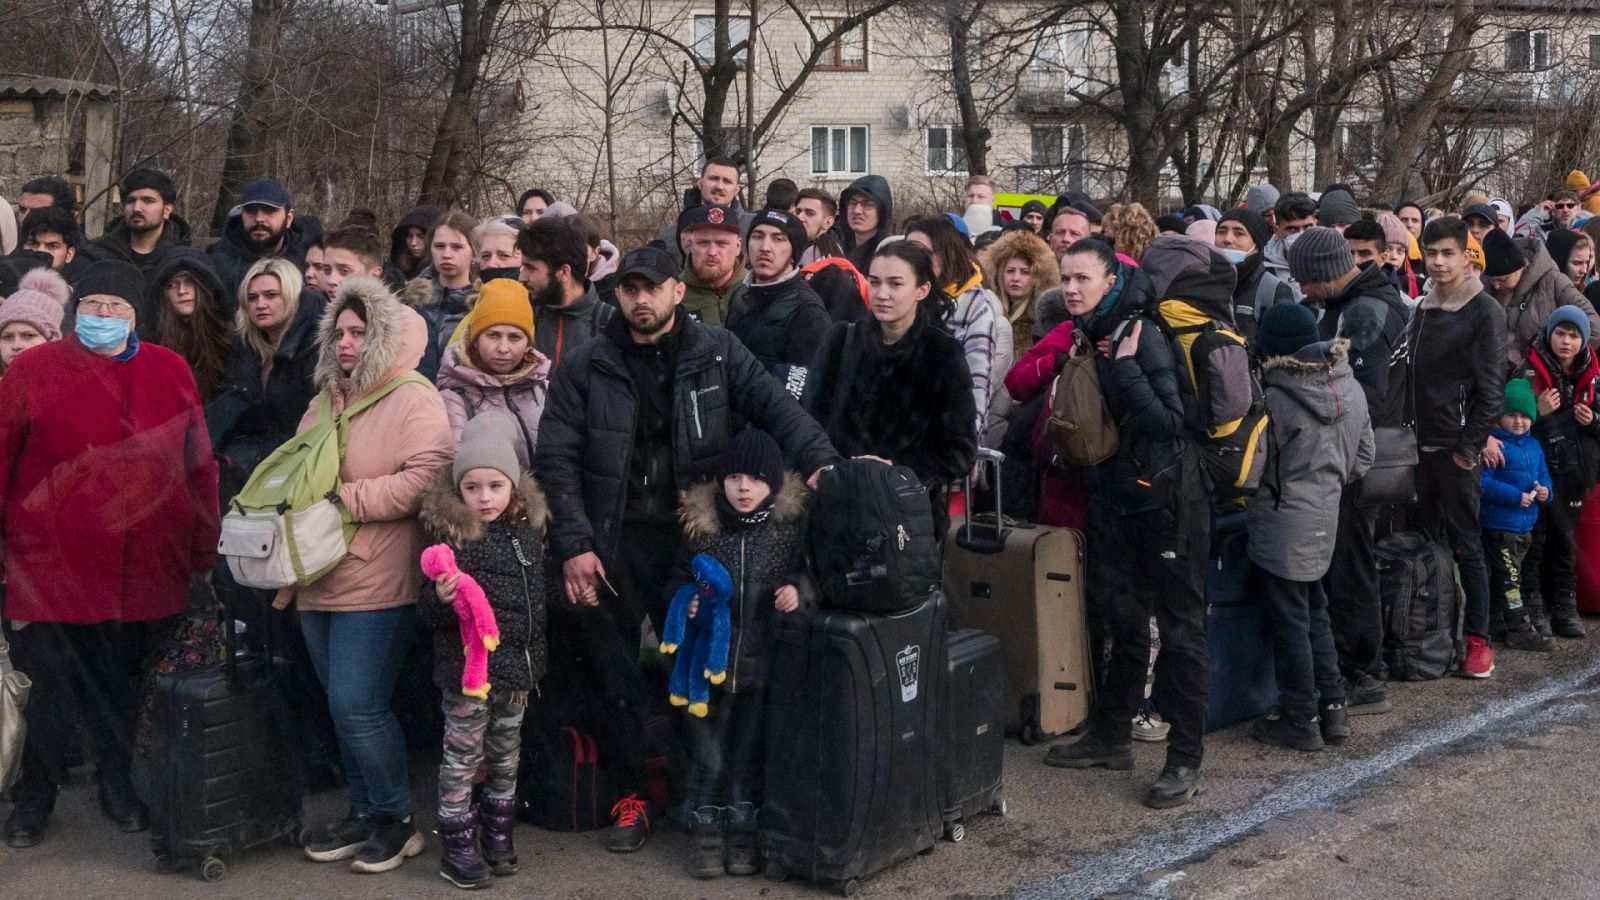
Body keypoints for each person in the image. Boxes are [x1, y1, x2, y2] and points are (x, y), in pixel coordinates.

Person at [535, 244, 838, 854]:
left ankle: (707, 795)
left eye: (653, 288)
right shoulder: (586, 367)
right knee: (613, 673)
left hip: (698, 542)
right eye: (629, 289)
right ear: (615, 294)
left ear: (678, 290)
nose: (641, 300)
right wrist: (573, 545)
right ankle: (633, 796)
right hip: (612, 542)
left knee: (704, 668)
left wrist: (823, 463)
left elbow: (779, 411)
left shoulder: (718, 353)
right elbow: (556, 462)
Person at [0, 259, 220, 848]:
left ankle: (117, 785)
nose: (103, 316)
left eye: (116, 308)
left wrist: (203, 550)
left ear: (136, 316)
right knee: (47, 686)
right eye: (93, 306)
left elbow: (197, 465)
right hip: (46, 564)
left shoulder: (168, 370)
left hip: (141, 564)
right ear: (75, 313)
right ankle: (34, 797)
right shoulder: (33, 370)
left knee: (120, 685)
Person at [275, 276, 453, 874]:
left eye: (360, 332)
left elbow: (430, 474)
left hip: (379, 578)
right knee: (339, 704)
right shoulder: (325, 399)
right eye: (340, 332)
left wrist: (346, 497)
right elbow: (299, 467)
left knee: (357, 704)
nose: (347, 343)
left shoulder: (414, 395)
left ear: (384, 337)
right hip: (316, 573)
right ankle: (364, 812)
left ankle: (397, 821)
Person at [1042, 237, 1212, 810]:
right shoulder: (1090, 328)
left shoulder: (1144, 332)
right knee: (1122, 617)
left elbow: (1171, 422)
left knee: (1181, 629)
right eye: (1064, 277)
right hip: (1117, 495)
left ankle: (1184, 757)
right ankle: (1112, 736)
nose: (1070, 287)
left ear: (1111, 278)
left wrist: (1123, 370)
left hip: (1167, 500)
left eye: (1081, 277)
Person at [417, 412, 549, 889]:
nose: (485, 497)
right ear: (459, 490)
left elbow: (535, 605)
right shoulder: (452, 540)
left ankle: (497, 833)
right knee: (461, 756)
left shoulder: (528, 535)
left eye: (495, 485)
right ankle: (456, 843)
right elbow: (426, 618)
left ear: (513, 486)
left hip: (516, 672)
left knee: (506, 754)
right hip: (467, 675)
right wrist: (440, 600)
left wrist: (535, 661)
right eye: (472, 487)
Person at [673, 426, 810, 880]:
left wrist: (798, 588)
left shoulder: (787, 532)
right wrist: (685, 597)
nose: (743, 487)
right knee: (707, 750)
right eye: (733, 477)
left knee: (748, 752)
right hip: (706, 669)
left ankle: (743, 824)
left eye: (754, 478)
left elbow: (810, 573)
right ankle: (706, 827)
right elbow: (675, 578)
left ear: (772, 483)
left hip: (759, 666)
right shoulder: (703, 528)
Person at [1288, 227, 1409, 712]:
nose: (1302, 291)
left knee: (1350, 561)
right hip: (1351, 454)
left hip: (1354, 460)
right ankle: (1353, 664)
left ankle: (1363, 672)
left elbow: (1363, 396)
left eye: (1306, 281)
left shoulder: (1364, 311)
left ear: (1322, 274)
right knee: (1348, 560)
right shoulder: (1353, 304)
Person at [1246, 303, 1373, 751]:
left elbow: (1250, 470)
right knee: (1316, 609)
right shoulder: (1350, 388)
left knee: (1290, 619)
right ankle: (1334, 709)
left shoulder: (1274, 398)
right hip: (1327, 514)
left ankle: (1300, 717)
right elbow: (1364, 458)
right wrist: (1328, 482)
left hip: (1280, 519)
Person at [804, 241, 977, 532]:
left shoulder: (942, 354)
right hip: (835, 511)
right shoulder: (841, 341)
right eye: (875, 282)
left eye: (895, 284)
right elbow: (808, 421)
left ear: (922, 290)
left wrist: (895, 466)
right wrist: (824, 466)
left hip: (905, 521)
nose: (882, 294)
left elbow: (960, 451)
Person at [1413, 216, 1506, 679]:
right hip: (1418, 449)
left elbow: (1492, 391)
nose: (1438, 262)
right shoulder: (1422, 306)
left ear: (1466, 255)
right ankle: (1432, 634)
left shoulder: (1484, 310)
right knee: (1426, 548)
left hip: (1455, 451)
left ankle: (1479, 640)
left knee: (1468, 547)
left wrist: (1467, 451)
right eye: (1431, 253)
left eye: (1448, 253)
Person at [206, 257, 328, 493]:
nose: (260, 304)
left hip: (297, 473)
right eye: (252, 298)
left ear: (291, 296)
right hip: (248, 469)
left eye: (271, 295)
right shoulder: (245, 347)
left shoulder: (315, 347)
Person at [1514, 307, 1600, 639]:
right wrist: (1537, 411)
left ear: (1583, 339)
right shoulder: (1526, 371)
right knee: (1534, 540)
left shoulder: (1593, 376)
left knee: (1565, 541)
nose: (1566, 341)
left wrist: (1592, 421)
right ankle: (1534, 604)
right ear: (1549, 335)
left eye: (1574, 335)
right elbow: (1510, 422)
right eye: (1560, 334)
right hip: (1535, 468)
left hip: (1576, 470)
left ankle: (1565, 604)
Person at [904, 215, 1004, 449]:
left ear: (945, 254)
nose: (912, 259)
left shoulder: (974, 303)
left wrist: (961, 445)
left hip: (946, 449)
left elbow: (978, 382)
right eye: (907, 250)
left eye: (921, 251)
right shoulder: (902, 297)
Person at [436, 278, 550, 467]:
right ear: (475, 338)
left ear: (528, 343)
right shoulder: (454, 398)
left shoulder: (543, 389)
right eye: (493, 335)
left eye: (515, 337)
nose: (503, 348)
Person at [1479, 378, 1556, 654]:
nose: (1518, 421)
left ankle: (1498, 620)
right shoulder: (1495, 445)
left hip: (1525, 528)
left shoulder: (1534, 446)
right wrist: (1515, 496)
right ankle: (1519, 627)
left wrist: (1547, 491)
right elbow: (1483, 483)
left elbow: (1544, 476)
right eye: (1511, 415)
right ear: (1500, 417)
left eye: (1524, 416)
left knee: (1511, 576)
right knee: (1511, 579)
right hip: (1500, 526)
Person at [724, 208, 831, 381]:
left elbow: (812, 389)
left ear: (793, 253)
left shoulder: (808, 312)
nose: (765, 247)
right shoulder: (741, 293)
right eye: (758, 236)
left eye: (778, 239)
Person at [1481, 228, 1600, 368]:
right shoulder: (1486, 286)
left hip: (1542, 377)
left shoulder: (1554, 282)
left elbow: (1594, 328)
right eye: (1492, 280)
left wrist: (1559, 360)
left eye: (1503, 279)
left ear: (1520, 269)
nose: (1495, 286)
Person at [516, 215, 615, 369]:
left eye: (530, 268)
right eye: (522, 267)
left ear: (563, 272)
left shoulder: (611, 323)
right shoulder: (523, 318)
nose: (522, 277)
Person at [146, 247, 234, 402]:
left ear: (204, 286)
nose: (182, 291)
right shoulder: (151, 340)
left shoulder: (227, 338)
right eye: (172, 285)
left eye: (190, 282)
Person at [208, 178, 318, 296]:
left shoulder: (308, 260)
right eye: (251, 211)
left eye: (269, 211)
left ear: (289, 218)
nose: (259, 218)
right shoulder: (217, 265)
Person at [403, 210, 480, 378]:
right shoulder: (411, 302)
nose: (446, 255)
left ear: (474, 251)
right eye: (439, 246)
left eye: (457, 247)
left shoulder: (482, 305)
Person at [85, 168, 191, 279]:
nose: (136, 208)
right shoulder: (96, 255)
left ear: (167, 210)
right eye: (131, 201)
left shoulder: (182, 261)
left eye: (148, 201)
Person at [1214, 208, 1293, 345]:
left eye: (1239, 233)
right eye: (1222, 231)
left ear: (1256, 244)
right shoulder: (1203, 283)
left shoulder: (1274, 291)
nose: (1227, 239)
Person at [654, 159, 749, 268]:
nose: (719, 186)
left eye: (727, 181)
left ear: (737, 190)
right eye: (713, 178)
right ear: (700, 183)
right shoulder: (669, 236)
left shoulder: (755, 230)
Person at [980, 228, 1059, 355]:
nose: (1016, 278)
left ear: (1038, 277)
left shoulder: (1043, 322)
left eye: (1025, 272)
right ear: (999, 274)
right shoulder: (985, 313)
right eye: (1010, 271)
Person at [793, 188, 866, 323]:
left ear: (828, 223)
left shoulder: (818, 252)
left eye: (809, 213)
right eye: (798, 211)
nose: (800, 218)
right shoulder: (806, 247)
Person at [678, 205, 748, 327]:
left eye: (721, 243)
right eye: (703, 243)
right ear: (690, 245)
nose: (712, 252)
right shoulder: (673, 294)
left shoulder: (756, 289)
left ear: (737, 247)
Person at [0, 267, 67, 376]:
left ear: (52, 339)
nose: (16, 345)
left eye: (29, 335)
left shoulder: (73, 388)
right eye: (7, 337)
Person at [1263, 192, 1318, 297]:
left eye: (1308, 227)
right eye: (1292, 229)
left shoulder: (1331, 261)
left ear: (1316, 223)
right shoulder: (1264, 268)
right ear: (1276, 230)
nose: (1302, 235)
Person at [839, 174, 894, 272]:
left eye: (867, 204)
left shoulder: (891, 255)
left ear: (882, 211)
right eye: (853, 202)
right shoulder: (837, 250)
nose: (857, 210)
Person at [323, 225, 387, 297]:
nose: (331, 281)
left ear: (374, 275)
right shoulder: (315, 305)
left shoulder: (394, 308)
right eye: (326, 270)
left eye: (344, 271)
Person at [389, 206, 442, 281]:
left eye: (421, 236)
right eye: (409, 236)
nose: (413, 243)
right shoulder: (395, 272)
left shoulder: (443, 274)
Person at [19, 204, 77, 271]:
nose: (40, 251)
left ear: (69, 255)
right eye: (33, 244)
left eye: (52, 246)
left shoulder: (84, 279)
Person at [474, 215, 524, 283]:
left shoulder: (539, 292)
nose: (491, 264)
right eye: (486, 256)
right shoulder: (474, 293)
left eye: (503, 255)